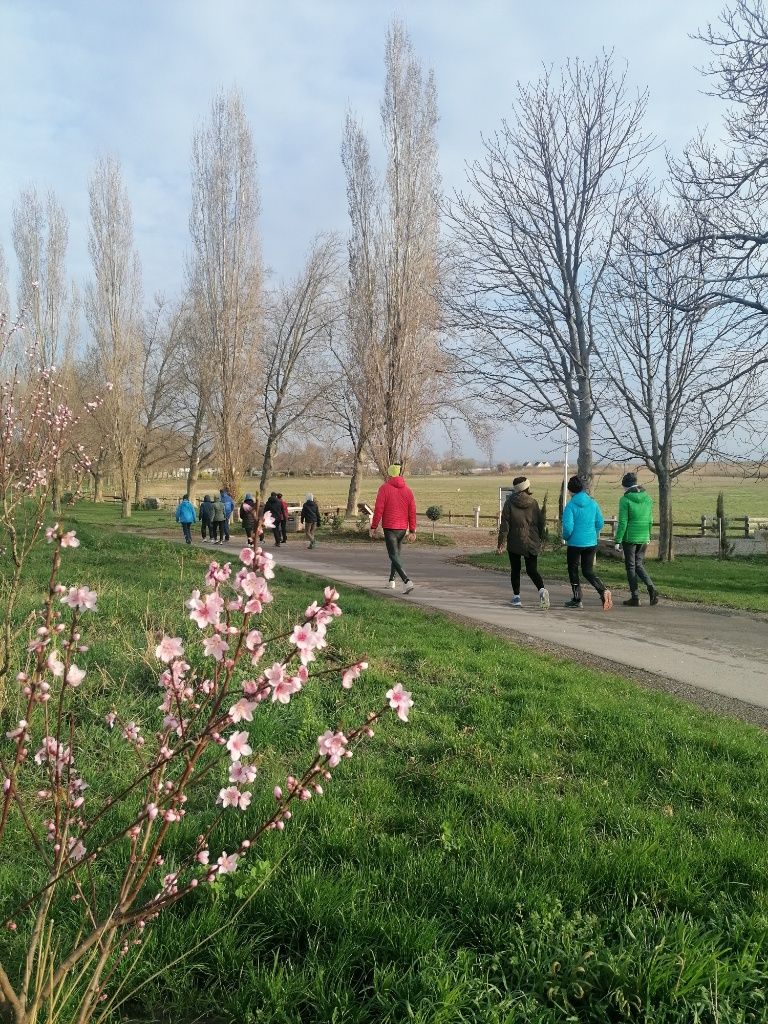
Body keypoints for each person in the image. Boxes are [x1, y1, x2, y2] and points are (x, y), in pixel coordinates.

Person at [496, 476, 550, 609]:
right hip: (532, 540)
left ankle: (516, 598)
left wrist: (500, 544)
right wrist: (542, 540)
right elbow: (540, 523)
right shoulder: (534, 502)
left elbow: (505, 526)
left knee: (515, 570)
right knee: (532, 570)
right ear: (527, 487)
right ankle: (542, 590)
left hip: (515, 541)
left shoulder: (509, 503)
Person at [561, 475, 612, 611]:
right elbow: (600, 523)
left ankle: (577, 599)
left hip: (575, 544)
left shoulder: (570, 506)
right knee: (588, 571)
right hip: (591, 542)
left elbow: (567, 528)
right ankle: (603, 590)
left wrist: (566, 537)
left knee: (573, 570)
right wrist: (592, 533)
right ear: (583, 488)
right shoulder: (593, 503)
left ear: (570, 491)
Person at [370, 464, 417, 594]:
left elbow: (379, 509)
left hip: (390, 527)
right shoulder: (408, 490)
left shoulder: (384, 488)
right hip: (402, 528)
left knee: (392, 555)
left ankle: (407, 581)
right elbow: (412, 511)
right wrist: (412, 530)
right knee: (396, 555)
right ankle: (391, 580)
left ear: (389, 474)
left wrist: (373, 526)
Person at [614, 472, 658, 606]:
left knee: (631, 567)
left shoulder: (625, 500)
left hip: (629, 537)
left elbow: (623, 522)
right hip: (644, 536)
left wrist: (618, 540)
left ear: (626, 486)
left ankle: (635, 597)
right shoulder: (648, 498)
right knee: (638, 564)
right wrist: (648, 535)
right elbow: (650, 520)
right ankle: (651, 587)